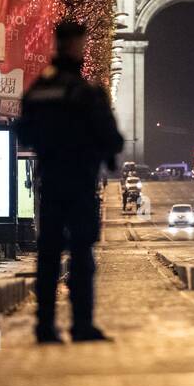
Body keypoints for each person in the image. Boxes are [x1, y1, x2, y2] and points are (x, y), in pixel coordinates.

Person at [18, 21, 124, 343]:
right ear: (77, 46)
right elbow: (111, 139)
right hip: (79, 181)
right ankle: (81, 325)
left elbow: (23, 132)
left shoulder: (39, 89)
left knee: (48, 253)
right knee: (81, 253)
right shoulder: (86, 92)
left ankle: (45, 326)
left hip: (50, 179)